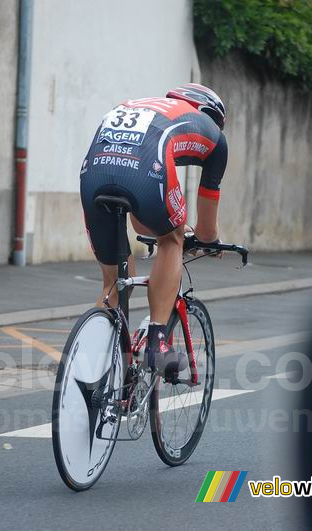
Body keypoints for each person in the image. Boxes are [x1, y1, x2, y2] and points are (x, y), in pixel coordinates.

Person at [79, 83, 228, 376]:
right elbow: (207, 231)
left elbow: (138, 218)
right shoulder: (215, 136)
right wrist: (205, 241)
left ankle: (101, 371)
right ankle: (158, 345)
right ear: (211, 113)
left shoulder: (143, 106)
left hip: (93, 173)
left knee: (114, 285)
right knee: (171, 239)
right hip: (145, 173)